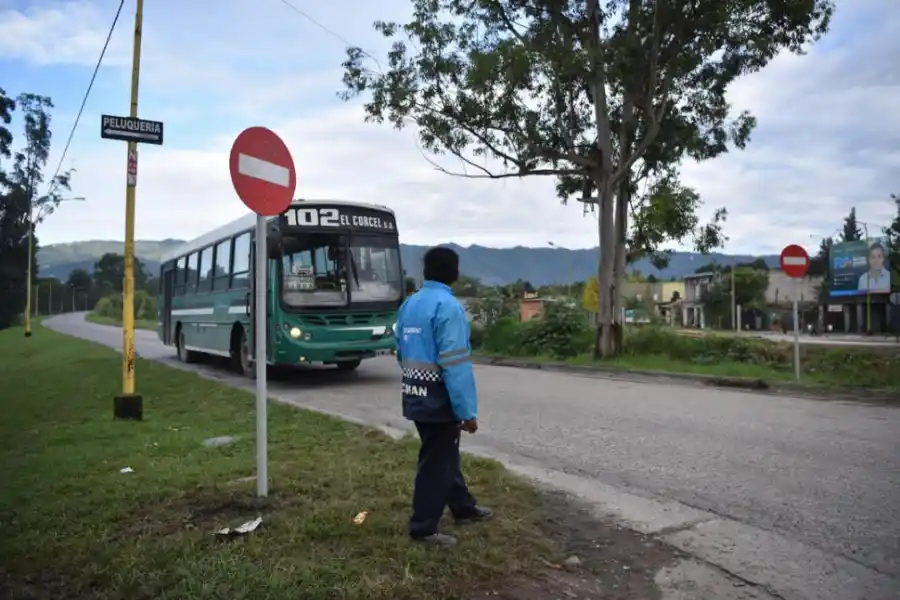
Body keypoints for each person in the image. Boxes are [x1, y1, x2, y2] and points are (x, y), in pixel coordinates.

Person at [394, 246, 493, 547]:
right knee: (436, 462)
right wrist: (467, 412)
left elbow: (400, 349)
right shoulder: (448, 307)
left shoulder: (410, 304)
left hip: (414, 392)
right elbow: (455, 364)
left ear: (425, 271)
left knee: (443, 453)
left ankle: (463, 506)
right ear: (454, 273)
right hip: (440, 397)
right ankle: (423, 528)